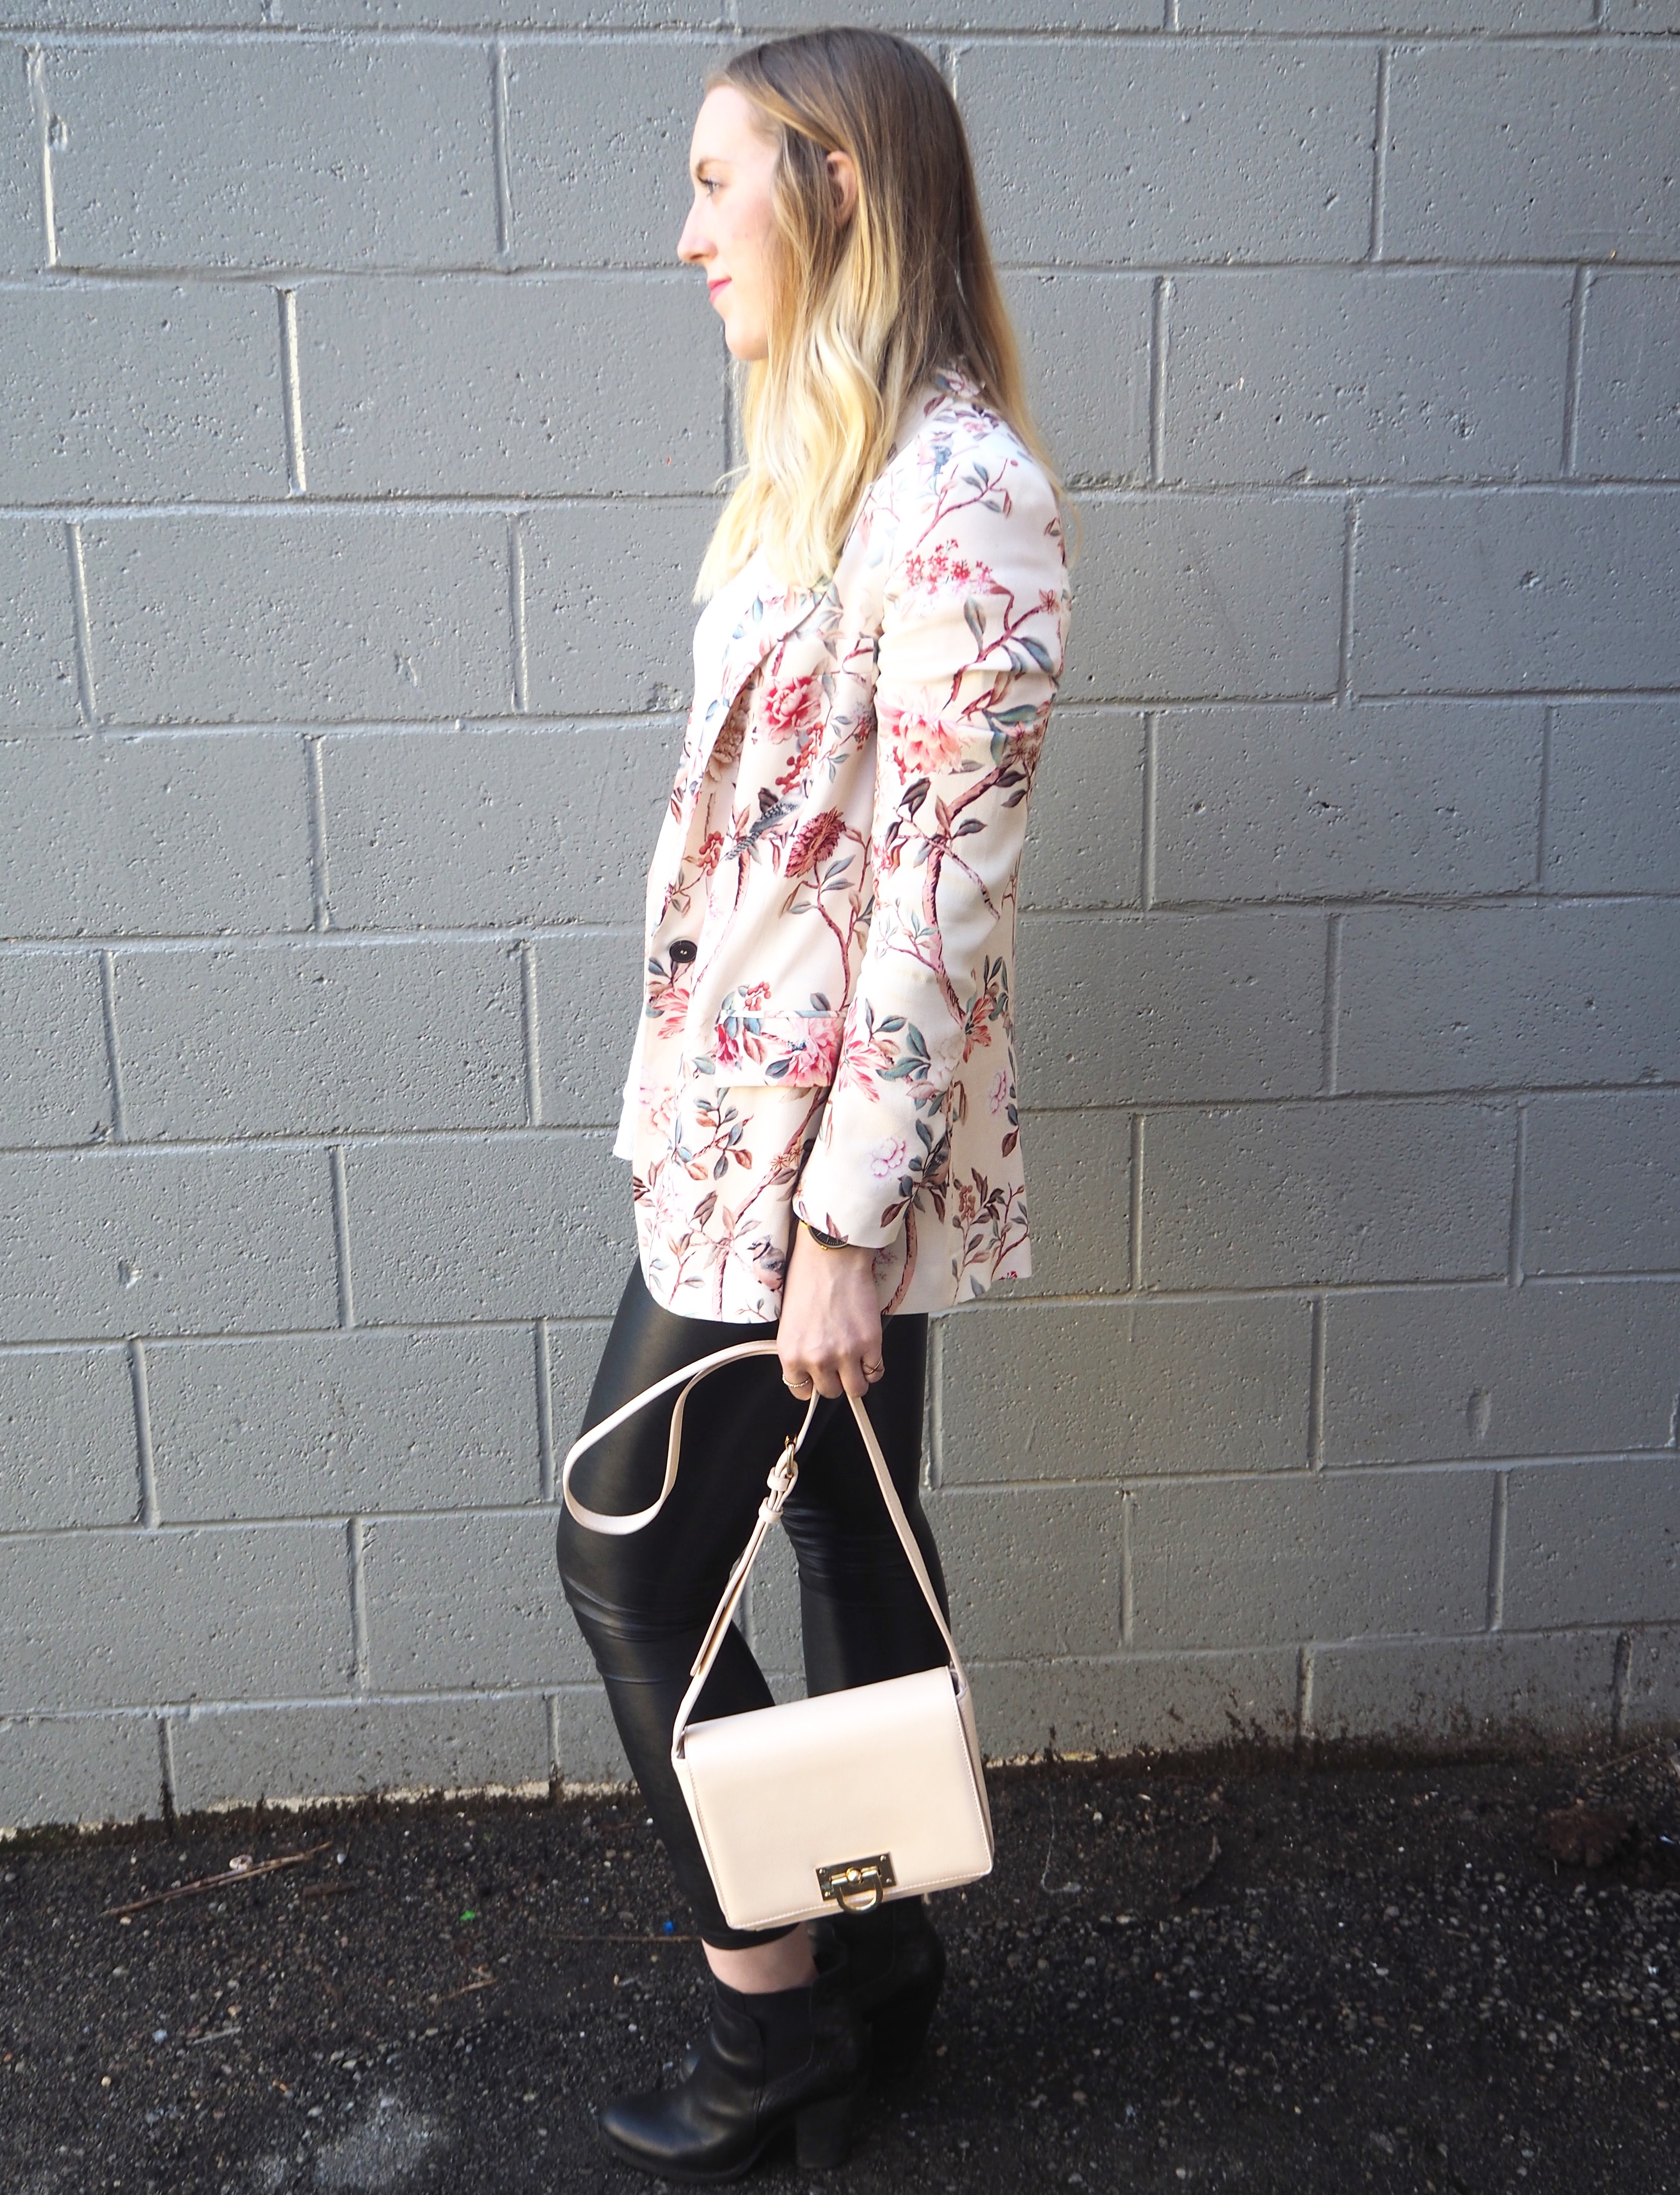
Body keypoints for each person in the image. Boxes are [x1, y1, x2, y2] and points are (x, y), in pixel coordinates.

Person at [555, 26, 1069, 2181]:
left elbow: (946, 898)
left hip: (804, 1188)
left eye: (713, 186)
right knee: (849, 1540)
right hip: (739, 1142)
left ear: (837, 189)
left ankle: (767, 2026)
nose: (683, 235)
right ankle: (876, 1969)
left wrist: (849, 1223)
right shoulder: (818, 466)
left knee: (627, 1559)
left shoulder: (962, 500)